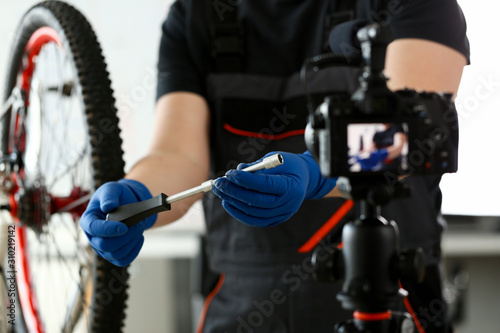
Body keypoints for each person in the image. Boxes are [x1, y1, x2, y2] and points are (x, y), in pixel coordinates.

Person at [80, 0, 469, 332]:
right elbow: (177, 156)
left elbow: (412, 133)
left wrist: (316, 172)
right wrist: (139, 195)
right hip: (241, 309)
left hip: (390, 300)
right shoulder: (196, 14)